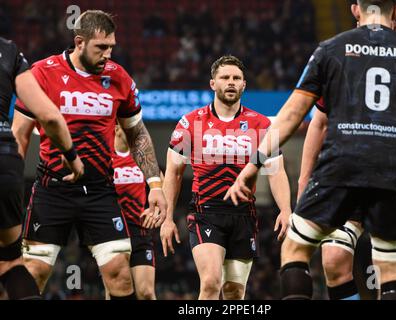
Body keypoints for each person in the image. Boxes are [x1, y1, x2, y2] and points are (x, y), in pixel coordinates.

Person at [225, 0, 396, 300]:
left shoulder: (332, 49)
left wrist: (252, 167)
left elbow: (291, 115)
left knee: (295, 248)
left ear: (356, 10)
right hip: (394, 172)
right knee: (391, 273)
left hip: (342, 166)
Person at [12, 10, 166, 299]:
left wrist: (155, 184)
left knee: (120, 274)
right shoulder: (42, 73)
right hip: (51, 189)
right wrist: (10, 186)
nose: (107, 54)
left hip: (99, 191)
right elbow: (20, 134)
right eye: (101, 48)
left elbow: (138, 133)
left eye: (111, 47)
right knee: (34, 272)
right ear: (79, 42)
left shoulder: (118, 77)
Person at [160, 55, 291, 300]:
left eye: (236, 78)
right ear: (213, 84)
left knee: (234, 292)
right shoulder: (190, 122)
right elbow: (173, 174)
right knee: (210, 283)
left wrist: (286, 209)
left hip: (243, 214)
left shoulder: (261, 125)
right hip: (205, 212)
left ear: (244, 85)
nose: (231, 82)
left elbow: (277, 171)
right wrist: (167, 218)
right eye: (225, 78)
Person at [298, 98, 396, 300]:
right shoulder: (337, 66)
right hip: (345, 180)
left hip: (393, 180)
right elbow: (319, 121)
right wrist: (303, 181)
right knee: (333, 260)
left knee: (395, 274)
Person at [0, 37, 84, 300]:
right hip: (4, 160)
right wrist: (72, 156)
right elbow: (49, 116)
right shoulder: (9, 50)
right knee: (11, 263)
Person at [111, 125, 156, 300]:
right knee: (115, 290)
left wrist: (158, 210)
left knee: (146, 293)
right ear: (116, 128)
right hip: (113, 232)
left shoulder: (141, 156)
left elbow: (160, 181)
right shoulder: (107, 157)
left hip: (140, 231)